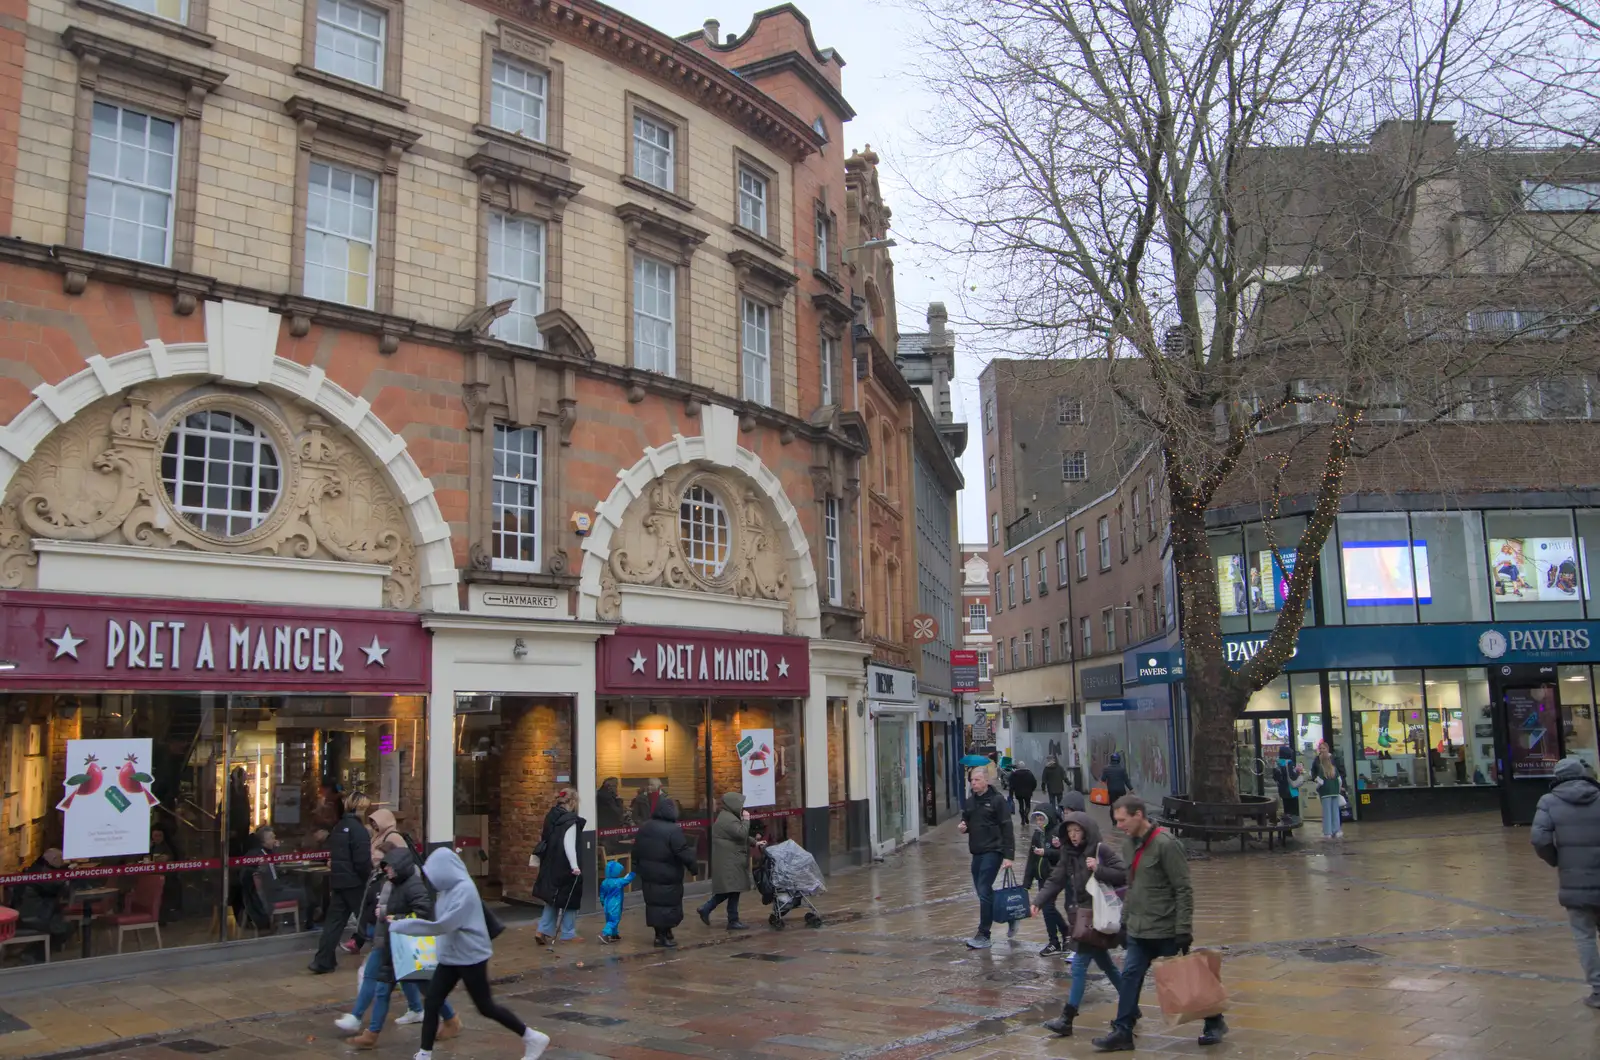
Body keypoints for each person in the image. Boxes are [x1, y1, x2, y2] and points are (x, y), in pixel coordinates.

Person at [1092, 795, 1226, 1051]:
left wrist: (1183, 929)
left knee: (1184, 980)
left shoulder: (1166, 844)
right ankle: (1123, 1031)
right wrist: (1124, 923)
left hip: (1166, 929)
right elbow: (1132, 887)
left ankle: (1215, 1020)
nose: (1119, 825)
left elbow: (1183, 889)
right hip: (1139, 930)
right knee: (1130, 976)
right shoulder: (1129, 845)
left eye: (1122, 820)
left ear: (1138, 815)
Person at [390, 848, 550, 1060]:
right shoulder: (445, 891)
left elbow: (445, 925)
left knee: (485, 1007)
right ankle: (424, 1053)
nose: (433, 880)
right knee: (432, 1001)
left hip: (471, 957)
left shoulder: (465, 890)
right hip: (450, 957)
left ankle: (532, 1037)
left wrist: (404, 925)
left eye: (435, 874)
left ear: (445, 871)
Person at [335, 846, 459, 1048]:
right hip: (392, 945)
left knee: (427, 988)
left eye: (390, 867)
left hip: (406, 947)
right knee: (383, 989)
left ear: (400, 867)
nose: (387, 871)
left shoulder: (412, 886)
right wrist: (385, 913)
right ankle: (371, 1034)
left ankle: (451, 1019)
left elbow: (423, 911)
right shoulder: (394, 884)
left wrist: (396, 918)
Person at [1035, 811, 1127, 1036]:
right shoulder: (1067, 852)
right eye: (1070, 832)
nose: (1074, 836)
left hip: (1098, 917)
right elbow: (1056, 878)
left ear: (1087, 831)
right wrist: (1038, 901)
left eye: (1077, 831)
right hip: (1082, 917)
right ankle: (1130, 1006)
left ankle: (1067, 1019)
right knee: (1106, 964)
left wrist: (1099, 868)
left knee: (1078, 966)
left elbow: (1124, 874)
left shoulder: (1100, 850)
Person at [1531, 755, 1600, 1008]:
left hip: (1574, 881)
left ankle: (1599, 990)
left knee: (1584, 937)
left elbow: (1539, 839)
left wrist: (1558, 860)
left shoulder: (1548, 802)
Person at [310, 792, 373, 973]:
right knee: (369, 921)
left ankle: (322, 961)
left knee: (334, 923)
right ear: (360, 808)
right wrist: (367, 877)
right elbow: (361, 861)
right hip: (355, 883)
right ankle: (386, 959)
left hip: (339, 882)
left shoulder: (339, 827)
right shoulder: (358, 830)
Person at [958, 766, 1016, 950]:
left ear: (986, 781)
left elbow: (1007, 827)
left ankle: (984, 934)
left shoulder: (998, 801)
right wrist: (963, 827)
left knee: (984, 889)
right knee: (983, 892)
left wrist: (1009, 856)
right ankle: (1009, 915)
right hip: (977, 851)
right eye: (972, 780)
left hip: (994, 850)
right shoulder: (969, 802)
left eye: (977, 780)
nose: (973, 783)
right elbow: (966, 821)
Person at [634, 797, 696, 948]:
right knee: (668, 903)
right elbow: (682, 851)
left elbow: (636, 850)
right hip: (668, 873)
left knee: (654, 903)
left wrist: (637, 867)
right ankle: (667, 934)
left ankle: (658, 935)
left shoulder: (645, 827)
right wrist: (693, 867)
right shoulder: (673, 830)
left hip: (649, 874)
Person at [699, 792, 759, 930]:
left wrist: (755, 843)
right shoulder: (728, 819)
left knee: (732, 889)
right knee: (731, 889)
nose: (743, 808)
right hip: (729, 860)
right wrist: (746, 819)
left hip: (732, 858)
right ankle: (728, 918)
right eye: (741, 804)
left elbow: (738, 837)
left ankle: (720, 914)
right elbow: (741, 833)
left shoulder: (729, 817)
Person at [532, 790, 584, 944]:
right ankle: (568, 933)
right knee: (570, 899)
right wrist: (575, 867)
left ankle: (542, 929)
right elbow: (569, 845)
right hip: (565, 865)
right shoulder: (570, 821)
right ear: (573, 802)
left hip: (550, 863)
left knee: (552, 898)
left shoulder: (551, 816)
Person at [1023, 805, 1068, 956]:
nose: (1040, 821)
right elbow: (1032, 859)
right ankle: (1065, 934)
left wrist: (1046, 852)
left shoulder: (1058, 833)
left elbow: (1064, 855)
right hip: (1041, 877)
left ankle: (1054, 942)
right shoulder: (1037, 835)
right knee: (1048, 908)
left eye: (1042, 818)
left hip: (1054, 876)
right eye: (1037, 818)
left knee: (1048, 908)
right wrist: (1026, 883)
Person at [14, 848, 71, 954]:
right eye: (61, 860)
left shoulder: (36, 868)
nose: (63, 863)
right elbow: (55, 888)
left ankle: (38, 952)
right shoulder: (41, 873)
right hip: (31, 917)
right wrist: (67, 878)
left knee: (63, 922)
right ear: (53, 860)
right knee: (65, 926)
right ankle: (33, 953)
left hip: (29, 913)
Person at [1311, 741, 1345, 839]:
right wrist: (1338, 790)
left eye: (1323, 748)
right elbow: (1339, 780)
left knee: (1327, 812)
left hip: (1325, 793)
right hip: (1334, 792)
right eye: (1320, 748)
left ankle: (1328, 832)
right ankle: (1336, 830)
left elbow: (1320, 781)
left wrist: (1317, 788)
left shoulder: (1322, 769)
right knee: (1335, 811)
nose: (1321, 750)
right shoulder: (1334, 768)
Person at [597, 858, 637, 944]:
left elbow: (601, 894)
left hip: (607, 904)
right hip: (615, 904)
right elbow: (628, 879)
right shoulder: (618, 882)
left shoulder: (604, 882)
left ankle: (614, 934)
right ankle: (605, 933)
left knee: (609, 919)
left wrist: (602, 901)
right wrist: (633, 873)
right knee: (614, 920)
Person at [1272, 745, 1303, 824]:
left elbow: (1275, 777)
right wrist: (1298, 771)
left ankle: (1286, 829)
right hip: (1291, 790)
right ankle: (1292, 827)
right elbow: (1292, 776)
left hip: (1282, 790)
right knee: (1293, 812)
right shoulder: (1288, 762)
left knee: (1286, 811)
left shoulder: (1277, 762)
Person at [1010, 761, 1037, 827]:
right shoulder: (1029, 773)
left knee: (1020, 805)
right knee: (1028, 805)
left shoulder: (1014, 774)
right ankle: (1026, 815)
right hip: (1028, 792)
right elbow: (1034, 783)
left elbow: (1011, 785)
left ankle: (1022, 820)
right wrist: (1031, 789)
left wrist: (1011, 794)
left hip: (1018, 793)